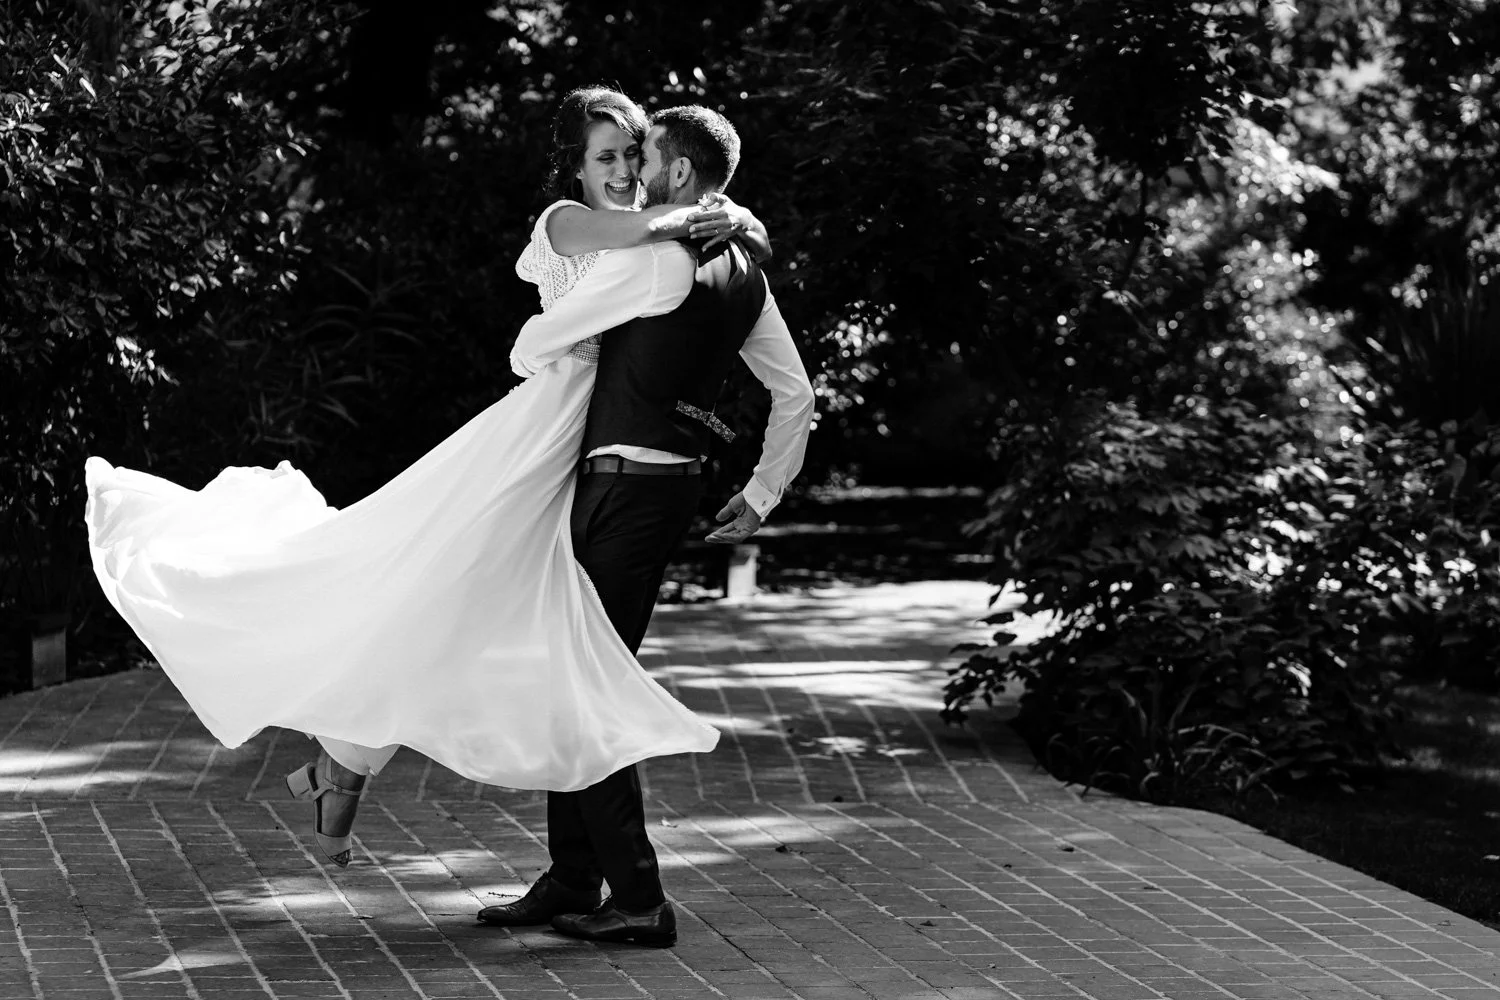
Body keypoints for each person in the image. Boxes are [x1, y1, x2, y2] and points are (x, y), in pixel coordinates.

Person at [83, 87, 773, 868]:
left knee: (456, 608)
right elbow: (629, 246)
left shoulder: (658, 232)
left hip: (589, 439)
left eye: (629, 156)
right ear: (574, 165)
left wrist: (727, 214)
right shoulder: (570, 222)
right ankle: (347, 765)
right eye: (604, 157)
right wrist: (726, 215)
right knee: (437, 586)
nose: (620, 171)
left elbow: (662, 234)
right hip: (543, 430)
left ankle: (345, 764)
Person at [474, 105, 816, 948]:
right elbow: (796, 394)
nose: (638, 177)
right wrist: (763, 492)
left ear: (682, 175)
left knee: (584, 680)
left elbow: (536, 339)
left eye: (649, 159)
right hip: (669, 491)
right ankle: (572, 875)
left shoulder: (657, 259)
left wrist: (541, 352)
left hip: (623, 489)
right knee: (575, 669)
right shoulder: (743, 266)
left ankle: (638, 897)